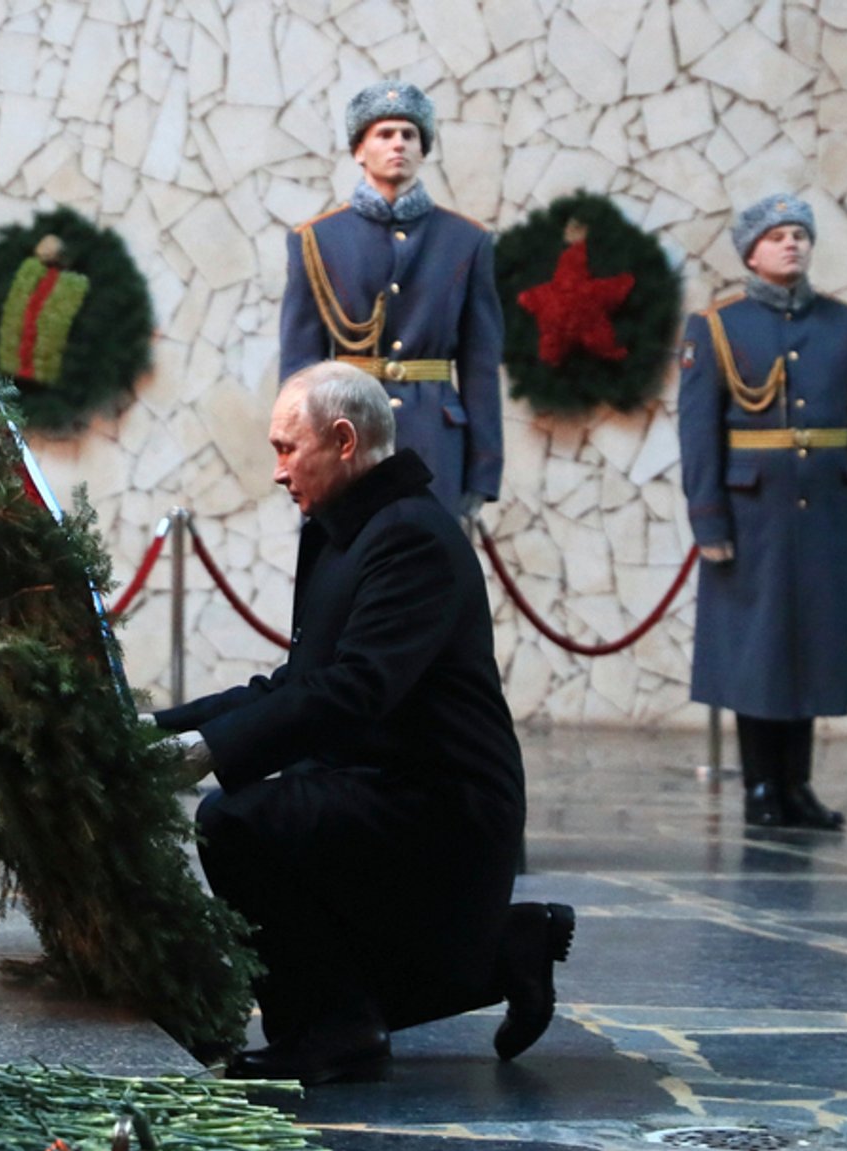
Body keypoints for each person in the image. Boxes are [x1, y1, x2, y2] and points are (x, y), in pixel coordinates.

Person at [154, 362, 573, 1085]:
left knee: (239, 822)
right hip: (383, 785)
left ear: (344, 439)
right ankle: (504, 948)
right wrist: (159, 725)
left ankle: (337, 1029)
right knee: (281, 812)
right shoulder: (350, 527)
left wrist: (207, 753)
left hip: (446, 805)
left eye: (288, 448)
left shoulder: (408, 536)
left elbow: (357, 689)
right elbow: (293, 683)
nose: (279, 471)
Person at [676, 193, 847, 831]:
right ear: (751, 252)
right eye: (777, 236)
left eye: (800, 234)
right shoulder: (716, 327)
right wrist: (708, 518)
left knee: (812, 650)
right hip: (751, 515)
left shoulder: (844, 325)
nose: (791, 244)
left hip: (823, 509)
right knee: (757, 654)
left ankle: (798, 787)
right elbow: (698, 432)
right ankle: (761, 788)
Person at [279, 81, 504, 521]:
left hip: (436, 441)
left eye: (409, 134)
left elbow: (480, 366)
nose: (398, 143)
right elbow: (299, 368)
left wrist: (483, 472)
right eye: (384, 134)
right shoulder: (317, 241)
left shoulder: (466, 241)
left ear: (423, 151)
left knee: (432, 575)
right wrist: (296, 458)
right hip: (343, 439)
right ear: (359, 150)